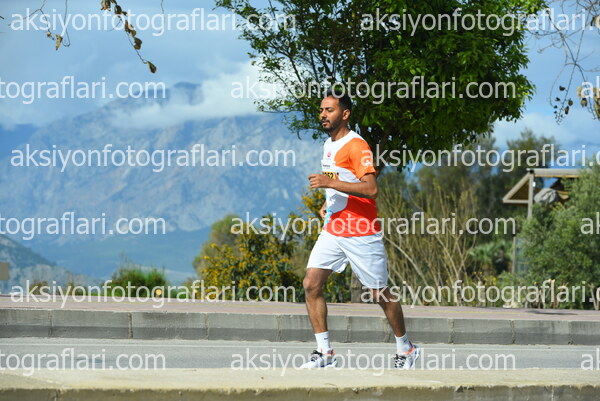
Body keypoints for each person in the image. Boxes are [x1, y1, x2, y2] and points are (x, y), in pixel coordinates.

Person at [300, 89, 420, 370]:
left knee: (380, 294)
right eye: (321, 110)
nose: (323, 115)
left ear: (345, 114)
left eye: (329, 110)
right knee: (311, 283)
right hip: (334, 228)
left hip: (361, 230)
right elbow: (341, 180)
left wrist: (329, 184)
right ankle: (325, 352)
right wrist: (328, 202)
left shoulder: (357, 146)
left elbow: (371, 188)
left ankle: (406, 348)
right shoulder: (329, 145)